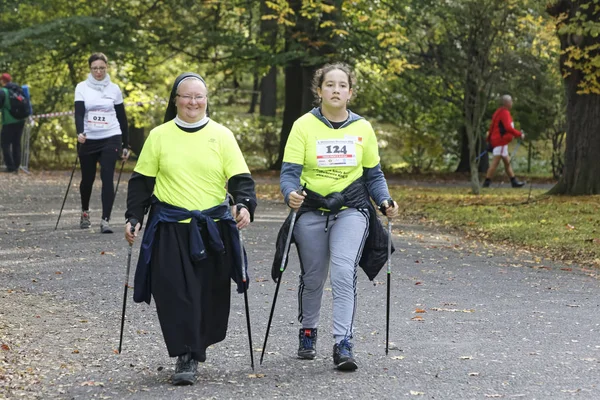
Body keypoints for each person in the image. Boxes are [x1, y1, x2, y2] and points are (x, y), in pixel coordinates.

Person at [124, 72, 257, 386]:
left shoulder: (222, 136)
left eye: (199, 96)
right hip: (169, 226)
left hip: (212, 229)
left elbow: (241, 181)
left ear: (206, 100)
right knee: (172, 292)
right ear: (175, 100)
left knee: (207, 293)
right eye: (186, 96)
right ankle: (186, 355)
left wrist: (245, 205)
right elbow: (141, 183)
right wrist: (134, 217)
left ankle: (196, 346)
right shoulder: (159, 136)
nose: (193, 102)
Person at [277, 63, 399, 371]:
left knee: (344, 271)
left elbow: (373, 175)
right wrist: (290, 193)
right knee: (314, 276)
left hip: (351, 209)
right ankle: (308, 330)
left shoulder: (362, 128)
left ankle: (343, 342)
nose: (335, 90)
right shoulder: (303, 126)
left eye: (341, 85)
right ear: (318, 91)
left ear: (350, 92)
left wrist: (384, 199)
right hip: (312, 209)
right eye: (329, 85)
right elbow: (289, 174)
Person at [74, 52, 130, 233]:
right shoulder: (82, 87)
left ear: (106, 68)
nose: (98, 72)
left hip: (111, 136)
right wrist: (79, 132)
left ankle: (105, 220)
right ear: (90, 69)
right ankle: (85, 212)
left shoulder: (114, 89)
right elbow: (79, 112)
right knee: (87, 179)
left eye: (102, 68)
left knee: (107, 178)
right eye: (95, 68)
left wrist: (126, 144)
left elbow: (122, 117)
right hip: (88, 138)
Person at [483, 95, 525, 188]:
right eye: (511, 101)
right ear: (507, 103)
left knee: (507, 162)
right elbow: (508, 128)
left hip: (500, 141)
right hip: (500, 141)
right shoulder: (504, 113)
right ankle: (486, 182)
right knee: (495, 162)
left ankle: (514, 181)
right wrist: (519, 134)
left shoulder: (498, 112)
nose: (512, 103)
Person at [0, 73, 26, 173]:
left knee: (5, 143)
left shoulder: (3, 91)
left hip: (9, 121)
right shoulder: (18, 90)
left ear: (2, 80)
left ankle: (10, 166)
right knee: (16, 143)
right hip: (21, 120)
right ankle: (16, 166)